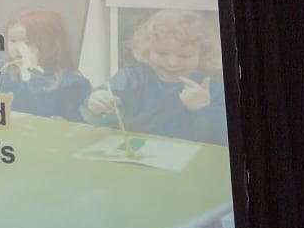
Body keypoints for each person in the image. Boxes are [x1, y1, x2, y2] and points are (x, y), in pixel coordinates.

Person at [83, 9, 228, 145]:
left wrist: (203, 108)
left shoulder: (211, 89)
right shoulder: (132, 78)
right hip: (136, 152)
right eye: (162, 53)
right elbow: (99, 115)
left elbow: (220, 140)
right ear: (147, 50)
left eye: (185, 56)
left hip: (188, 158)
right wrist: (97, 103)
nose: (173, 63)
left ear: (202, 54)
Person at [0, 8, 91, 121]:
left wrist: (66, 124)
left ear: (52, 44)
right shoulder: (1, 71)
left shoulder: (72, 84)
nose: (17, 48)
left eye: (27, 42)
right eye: (12, 40)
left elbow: (83, 122)